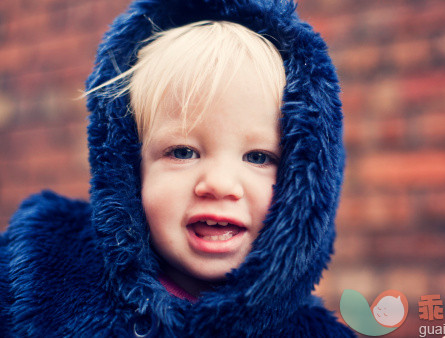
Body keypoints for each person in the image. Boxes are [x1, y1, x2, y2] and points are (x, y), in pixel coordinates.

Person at [0, 0, 354, 336]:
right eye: (183, 152)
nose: (218, 183)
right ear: (129, 169)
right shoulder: (40, 265)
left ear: (302, 184)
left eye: (258, 157)